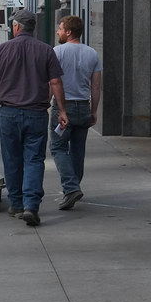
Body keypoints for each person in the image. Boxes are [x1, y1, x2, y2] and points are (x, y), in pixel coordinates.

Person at [0, 9, 67, 227]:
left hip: (9, 113)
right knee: (34, 160)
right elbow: (56, 82)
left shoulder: (3, 49)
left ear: (17, 27)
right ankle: (31, 205)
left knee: (12, 159)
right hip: (36, 114)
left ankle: (17, 204)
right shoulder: (46, 50)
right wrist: (62, 111)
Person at [49, 15, 102, 210]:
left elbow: (52, 82)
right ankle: (73, 188)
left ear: (68, 32)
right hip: (83, 106)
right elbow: (96, 86)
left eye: (60, 29)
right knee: (78, 150)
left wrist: (45, 103)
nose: (58, 31)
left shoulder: (57, 52)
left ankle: (71, 188)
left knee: (57, 148)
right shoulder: (92, 54)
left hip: (63, 107)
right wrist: (94, 110)